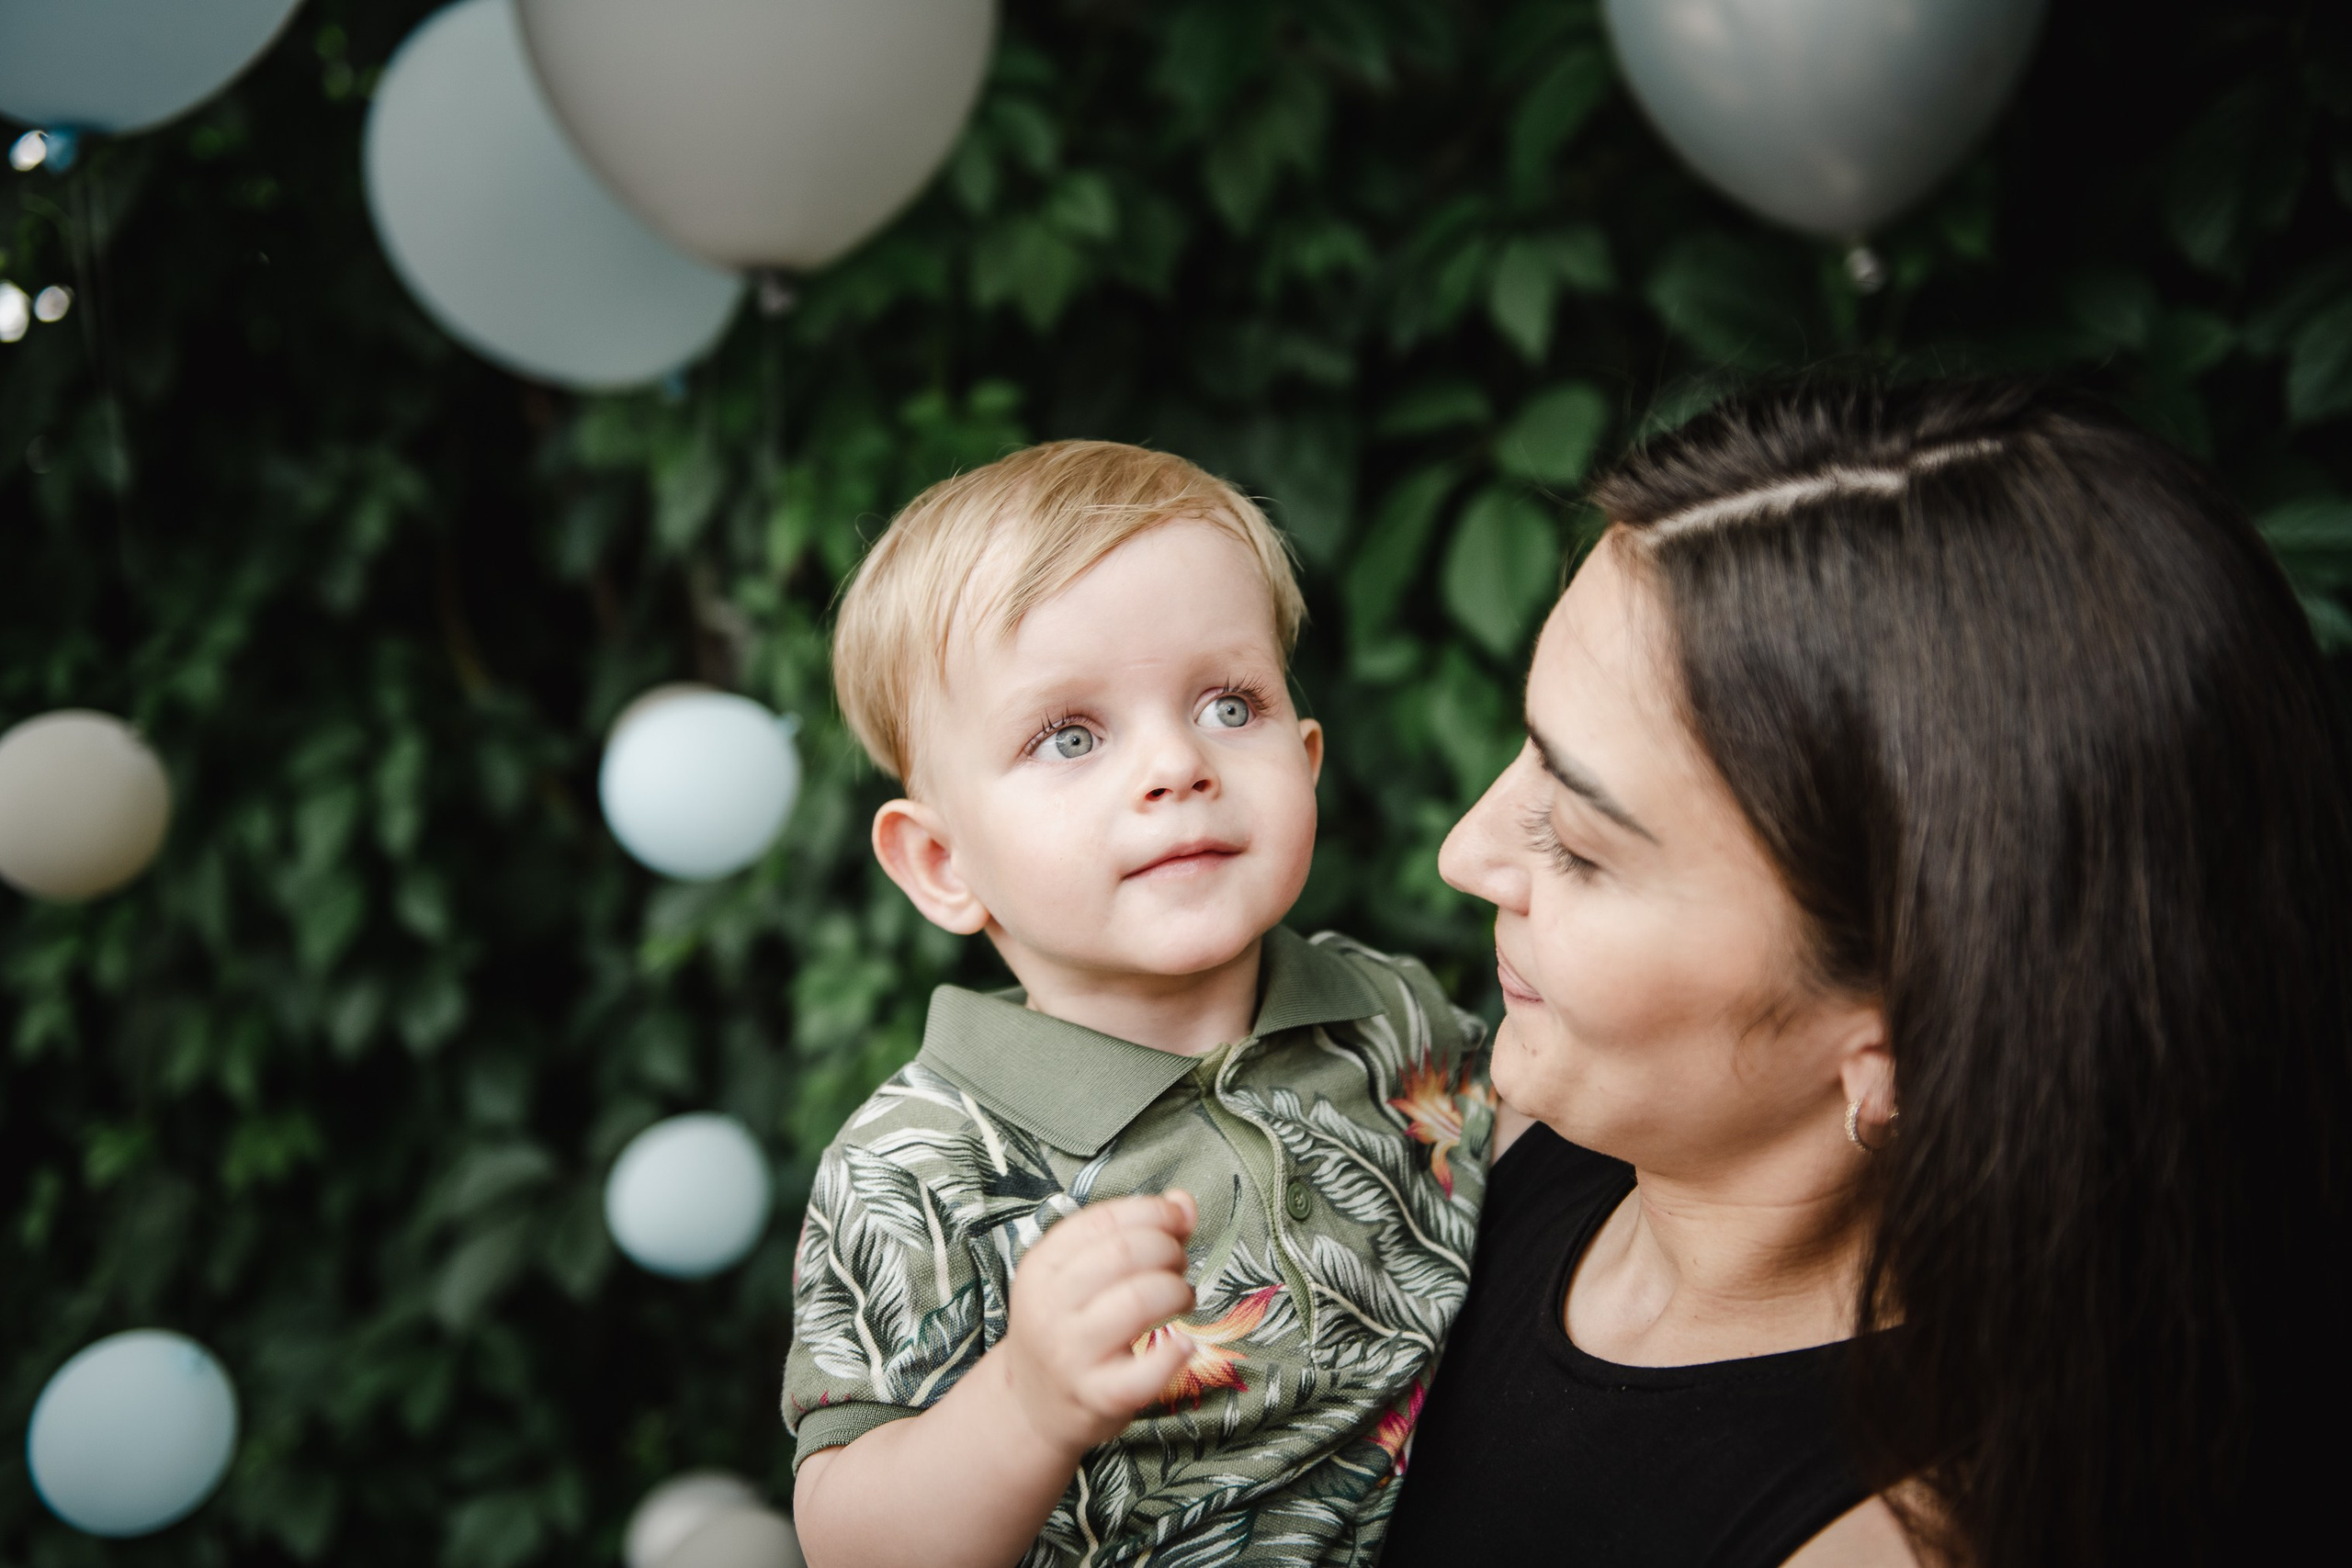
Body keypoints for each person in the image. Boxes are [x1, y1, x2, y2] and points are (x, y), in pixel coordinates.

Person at [1381, 380, 2352, 1566]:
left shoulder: (1883, 1540)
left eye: (1580, 846)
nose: (1465, 851)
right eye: (1527, 747)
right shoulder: (1502, 1128)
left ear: (1904, 1039)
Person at [784, 441, 1497, 1567]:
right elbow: (848, 1542)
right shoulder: (916, 1167)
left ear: (1305, 761)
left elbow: (1562, 1156)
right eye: (1069, 735)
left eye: (1229, 703)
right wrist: (1020, 1406)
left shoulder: (1385, 1010)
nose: (1176, 763)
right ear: (939, 862)